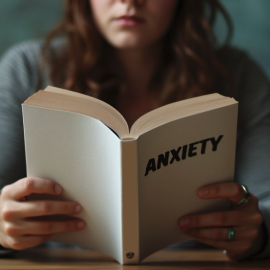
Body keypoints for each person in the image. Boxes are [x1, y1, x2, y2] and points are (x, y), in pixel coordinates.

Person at [0, 0, 269, 261]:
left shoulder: (237, 76)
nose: (129, 1)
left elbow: (265, 204)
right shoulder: (28, 70)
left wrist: (258, 235)